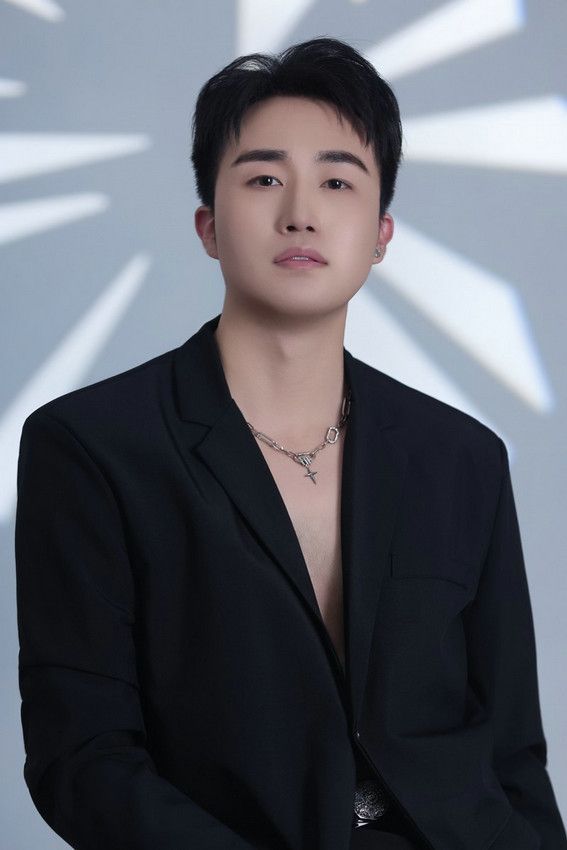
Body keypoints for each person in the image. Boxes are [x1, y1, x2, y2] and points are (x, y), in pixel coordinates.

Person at [14, 36, 567, 850]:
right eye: (264, 178)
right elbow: (83, 759)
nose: (300, 212)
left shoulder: (462, 457)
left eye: (337, 181)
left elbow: (512, 751)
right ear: (208, 225)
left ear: (380, 233)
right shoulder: (92, 446)